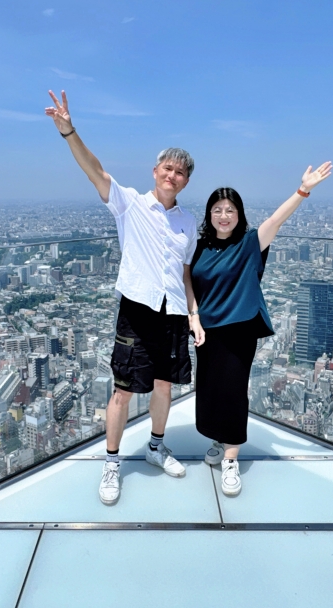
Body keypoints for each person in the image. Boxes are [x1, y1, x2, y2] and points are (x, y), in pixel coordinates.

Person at [45, 90, 206, 505]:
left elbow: (185, 272)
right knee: (122, 390)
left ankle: (155, 446)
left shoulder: (188, 222)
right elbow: (95, 171)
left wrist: (193, 314)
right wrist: (69, 131)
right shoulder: (130, 204)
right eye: (168, 168)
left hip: (172, 313)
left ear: (187, 181)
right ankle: (112, 463)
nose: (173, 176)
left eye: (181, 173)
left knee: (165, 388)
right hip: (137, 308)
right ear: (155, 171)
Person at [190, 162, 333, 496]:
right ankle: (218, 439)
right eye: (217, 210)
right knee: (209, 389)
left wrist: (303, 189)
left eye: (230, 210)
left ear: (239, 214)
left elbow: (277, 219)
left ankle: (230, 459)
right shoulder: (199, 247)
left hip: (238, 330)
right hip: (206, 331)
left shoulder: (251, 243)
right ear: (209, 215)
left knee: (234, 391)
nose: (223, 215)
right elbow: (187, 283)